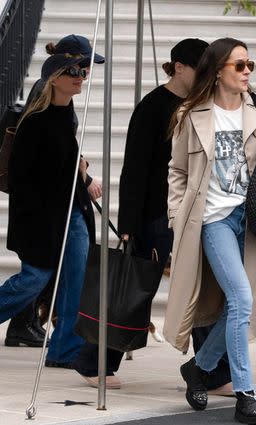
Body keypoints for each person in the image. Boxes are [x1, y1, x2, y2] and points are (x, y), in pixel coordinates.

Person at [72, 38, 232, 393]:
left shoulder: (206, 105)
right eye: (200, 69)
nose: (208, 77)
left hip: (198, 211)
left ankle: (212, 370)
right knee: (134, 289)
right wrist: (128, 226)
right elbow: (134, 171)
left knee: (203, 288)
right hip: (155, 216)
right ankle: (93, 361)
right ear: (179, 68)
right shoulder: (153, 107)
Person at [164, 37, 256, 425]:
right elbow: (178, 172)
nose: (247, 71)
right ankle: (245, 394)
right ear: (218, 71)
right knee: (238, 296)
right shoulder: (191, 114)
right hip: (213, 220)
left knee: (242, 304)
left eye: (249, 64)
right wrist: (177, 219)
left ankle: (198, 368)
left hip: (251, 220)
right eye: (239, 65)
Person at [4, 34, 104, 349]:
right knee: (35, 277)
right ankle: (28, 328)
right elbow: (25, 179)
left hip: (71, 209)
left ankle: (65, 348)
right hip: (45, 214)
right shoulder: (37, 117)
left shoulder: (65, 111)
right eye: (75, 70)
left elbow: (66, 156)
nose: (82, 76)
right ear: (55, 76)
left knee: (75, 279)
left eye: (84, 70)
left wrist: (83, 179)